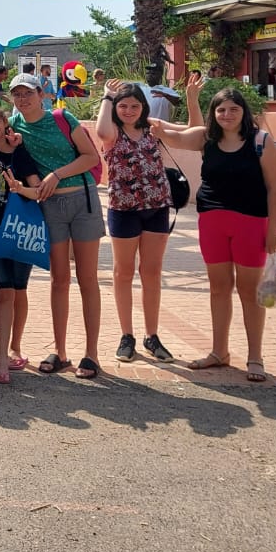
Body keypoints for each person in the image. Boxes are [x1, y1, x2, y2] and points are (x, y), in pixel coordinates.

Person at [153, 76, 276, 381]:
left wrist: (273, 230)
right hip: (212, 220)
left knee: (249, 292)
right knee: (218, 288)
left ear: (243, 111)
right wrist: (187, 102)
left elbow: (274, 189)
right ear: (214, 113)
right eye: (221, 110)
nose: (226, 114)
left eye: (232, 109)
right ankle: (219, 351)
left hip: (251, 221)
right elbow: (173, 136)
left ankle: (254, 357)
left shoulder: (260, 141)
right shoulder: (205, 138)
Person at [8, 74, 105, 379]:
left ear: (41, 94)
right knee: (58, 280)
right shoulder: (14, 124)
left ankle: (91, 354)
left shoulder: (64, 117)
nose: (23, 99)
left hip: (82, 200)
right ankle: (61, 351)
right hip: (49, 207)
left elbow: (91, 157)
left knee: (87, 278)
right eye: (17, 94)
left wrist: (57, 175)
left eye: (28, 93)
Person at [94, 80, 176, 363]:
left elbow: (193, 133)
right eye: (123, 105)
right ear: (116, 107)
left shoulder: (153, 129)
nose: (129, 110)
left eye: (135, 106)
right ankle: (126, 334)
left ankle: (152, 336)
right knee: (123, 272)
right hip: (124, 209)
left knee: (152, 272)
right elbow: (101, 130)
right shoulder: (113, 133)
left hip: (157, 207)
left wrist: (191, 100)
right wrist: (107, 96)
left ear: (143, 107)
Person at [0, 105, 42, 384]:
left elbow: (38, 190)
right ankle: (3, 357)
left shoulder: (20, 151)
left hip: (22, 227)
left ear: (6, 122)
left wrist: (19, 188)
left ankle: (16, 345)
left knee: (18, 289)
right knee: (5, 292)